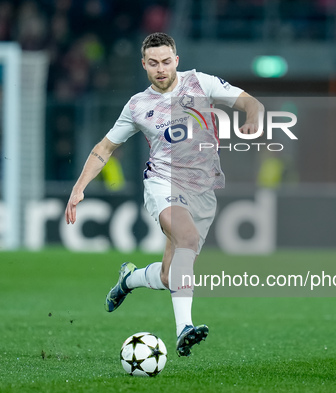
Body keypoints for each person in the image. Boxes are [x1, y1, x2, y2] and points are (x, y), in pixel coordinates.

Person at [65, 32, 264, 356]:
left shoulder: (200, 83)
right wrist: (79, 187)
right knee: (185, 239)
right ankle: (184, 328)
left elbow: (248, 101)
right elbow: (105, 148)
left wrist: (252, 116)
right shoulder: (138, 105)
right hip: (162, 183)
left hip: (201, 189)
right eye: (153, 63)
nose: (161, 68)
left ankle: (129, 279)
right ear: (144, 64)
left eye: (166, 61)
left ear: (177, 61)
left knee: (172, 275)